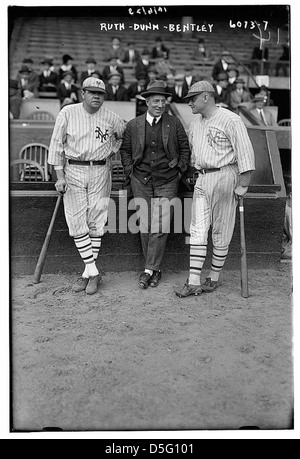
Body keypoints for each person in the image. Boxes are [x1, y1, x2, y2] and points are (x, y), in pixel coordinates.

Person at [174, 80, 255, 297]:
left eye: (192, 98)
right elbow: (193, 154)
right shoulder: (196, 122)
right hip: (203, 177)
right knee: (197, 230)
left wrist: (243, 184)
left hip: (225, 174)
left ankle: (213, 277)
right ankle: (193, 281)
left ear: (206, 97)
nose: (189, 103)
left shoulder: (230, 119)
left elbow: (245, 153)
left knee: (221, 231)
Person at [48, 77, 126, 295]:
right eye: (92, 92)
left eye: (100, 94)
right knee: (76, 220)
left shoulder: (112, 117)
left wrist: (111, 150)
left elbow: (122, 135)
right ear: (83, 93)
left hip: (101, 170)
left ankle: (87, 274)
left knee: (97, 220)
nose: (96, 97)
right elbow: (56, 145)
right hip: (73, 169)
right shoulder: (68, 112)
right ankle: (93, 272)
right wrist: (60, 175)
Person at [120, 80, 191, 289]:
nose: (160, 104)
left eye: (163, 101)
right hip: (140, 179)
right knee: (145, 224)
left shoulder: (174, 123)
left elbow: (185, 149)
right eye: (156, 101)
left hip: (167, 180)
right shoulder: (134, 125)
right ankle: (155, 269)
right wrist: (129, 170)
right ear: (147, 102)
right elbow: (124, 150)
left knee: (160, 224)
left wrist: (179, 170)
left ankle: (148, 270)